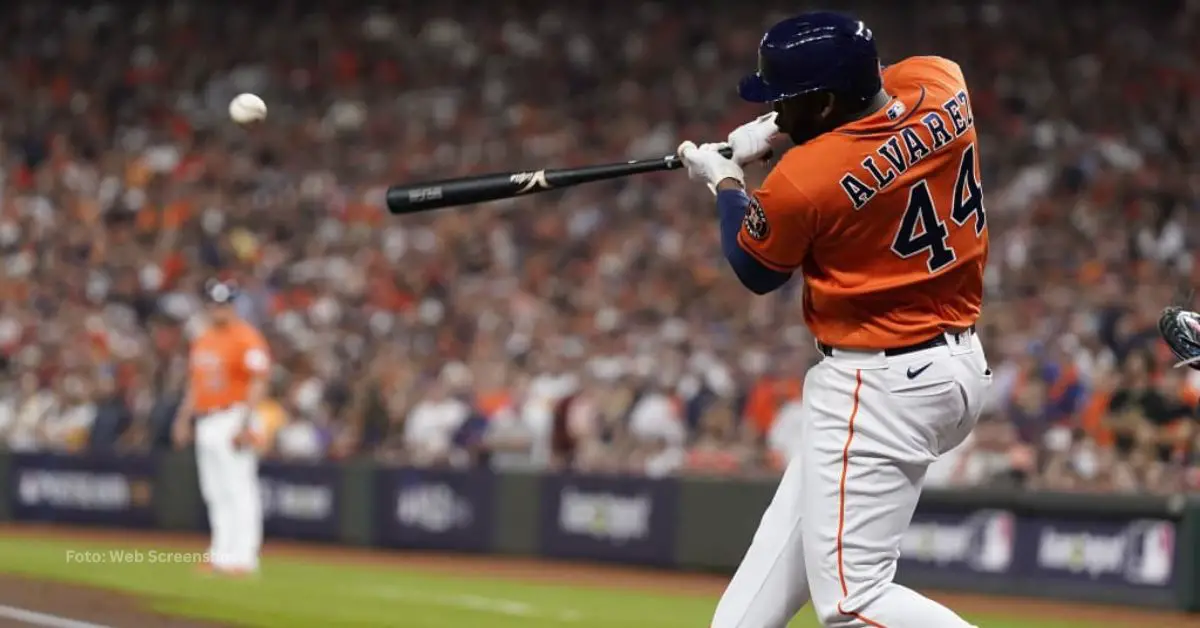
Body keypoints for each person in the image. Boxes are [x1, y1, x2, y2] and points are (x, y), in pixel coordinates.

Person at [677, 12, 991, 628]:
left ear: (822, 103)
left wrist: (727, 181)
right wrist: (775, 128)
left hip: (879, 384)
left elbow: (756, 267)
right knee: (756, 595)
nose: (778, 109)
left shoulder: (805, 178)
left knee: (853, 602)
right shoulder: (943, 81)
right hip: (952, 363)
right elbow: (874, 97)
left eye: (785, 101)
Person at [172, 279, 271, 576]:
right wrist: (182, 418)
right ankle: (221, 553)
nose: (220, 309)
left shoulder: (247, 338)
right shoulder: (203, 340)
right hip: (206, 419)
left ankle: (244, 557)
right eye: (215, 304)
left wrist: (245, 422)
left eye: (225, 304)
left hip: (234, 415)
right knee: (214, 491)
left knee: (239, 488)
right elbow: (195, 384)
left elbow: (259, 379)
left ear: (234, 305)